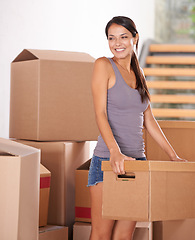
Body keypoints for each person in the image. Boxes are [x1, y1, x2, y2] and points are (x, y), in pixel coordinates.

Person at [87, 16, 186, 240]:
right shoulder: (103, 65)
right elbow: (100, 113)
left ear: (135, 38)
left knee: (124, 235)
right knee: (101, 234)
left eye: (123, 37)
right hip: (107, 161)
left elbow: (149, 120)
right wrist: (114, 151)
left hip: (137, 164)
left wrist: (173, 156)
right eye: (111, 38)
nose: (117, 43)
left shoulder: (139, 74)